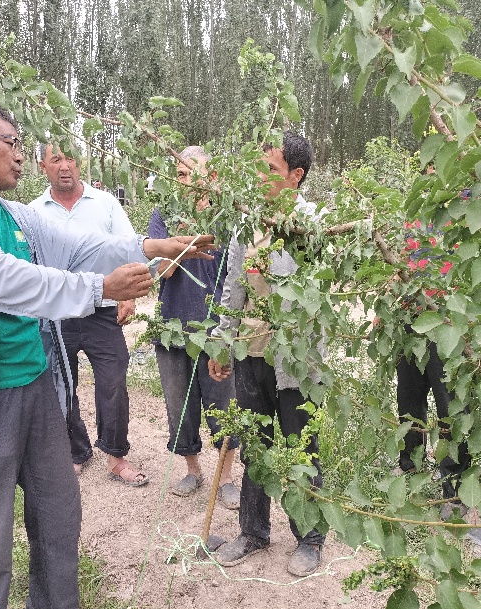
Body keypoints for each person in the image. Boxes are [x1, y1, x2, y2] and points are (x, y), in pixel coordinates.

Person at [0, 102, 214, 609]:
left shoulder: (16, 215)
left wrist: (151, 246)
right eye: (12, 142)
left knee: (58, 517)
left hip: (37, 388)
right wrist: (98, 289)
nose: (22, 156)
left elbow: (82, 245)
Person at [208, 131, 325, 577]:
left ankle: (310, 537)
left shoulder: (314, 224)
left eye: (270, 169)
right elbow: (234, 287)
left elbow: (318, 292)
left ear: (296, 176)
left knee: (300, 446)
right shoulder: (246, 224)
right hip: (251, 353)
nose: (260, 177)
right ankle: (254, 532)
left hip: (296, 361)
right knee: (255, 443)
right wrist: (222, 339)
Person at [30, 144, 145, 485]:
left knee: (113, 380)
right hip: (56, 313)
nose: (64, 166)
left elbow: (128, 246)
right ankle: (75, 451)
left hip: (102, 310)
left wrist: (128, 298)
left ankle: (116, 455)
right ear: (43, 166)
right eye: (56, 160)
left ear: (80, 164)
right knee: (60, 383)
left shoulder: (106, 204)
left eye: (70, 159)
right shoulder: (32, 211)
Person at [147, 146, 240, 508]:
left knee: (223, 404)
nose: (182, 181)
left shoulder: (227, 217)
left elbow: (236, 276)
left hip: (216, 332)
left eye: (189, 174)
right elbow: (161, 270)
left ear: (212, 176)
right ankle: (193, 469)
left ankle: (227, 476)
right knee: (179, 407)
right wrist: (180, 241)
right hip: (172, 327)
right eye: (178, 174)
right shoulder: (165, 216)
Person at [393, 181, 471, 510]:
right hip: (410, 321)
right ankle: (411, 471)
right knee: (409, 403)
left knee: (452, 406)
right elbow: (399, 262)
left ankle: (454, 486)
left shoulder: (473, 207)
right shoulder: (419, 209)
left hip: (450, 324)